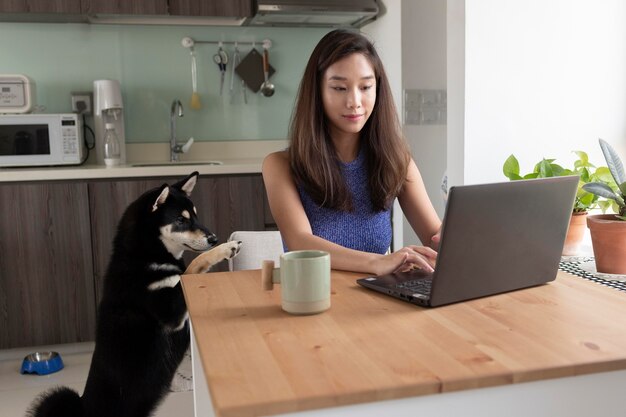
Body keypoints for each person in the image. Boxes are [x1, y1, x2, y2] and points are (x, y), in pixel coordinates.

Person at [262, 29, 441, 276]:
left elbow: (434, 236)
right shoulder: (280, 165)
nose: (355, 101)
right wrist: (378, 262)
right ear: (318, 92)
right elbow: (300, 242)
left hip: (377, 302)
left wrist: (462, 237)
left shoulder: (396, 161)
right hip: (313, 300)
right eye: (339, 88)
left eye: (366, 86)